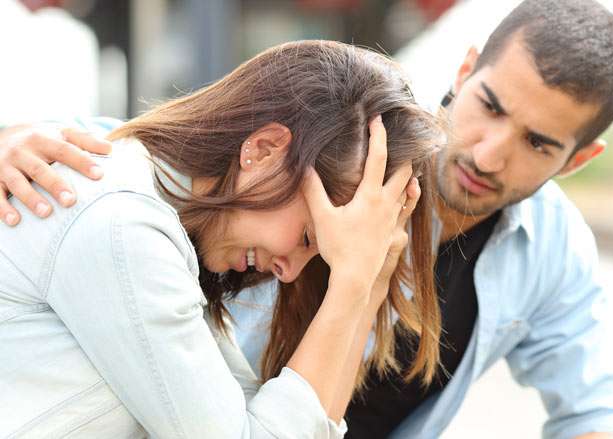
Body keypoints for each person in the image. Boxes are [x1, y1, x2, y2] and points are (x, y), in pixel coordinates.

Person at [0, 1, 613, 438]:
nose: (487, 152)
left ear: (578, 159)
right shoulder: (348, 146)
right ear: (466, 67)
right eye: (491, 107)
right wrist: (7, 138)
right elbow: (156, 156)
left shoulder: (553, 250)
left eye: (538, 143)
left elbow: (597, 409)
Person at [0, 40, 445, 438]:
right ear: (265, 150)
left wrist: (367, 284)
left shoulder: (171, 240)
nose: (287, 271)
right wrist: (350, 283)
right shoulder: (121, 227)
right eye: (308, 235)